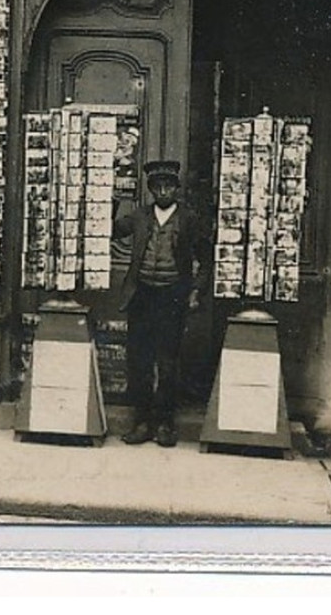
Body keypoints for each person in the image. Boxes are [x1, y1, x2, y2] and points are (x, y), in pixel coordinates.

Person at [113, 159, 207, 447]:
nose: (163, 191)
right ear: (151, 190)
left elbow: (206, 257)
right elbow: (114, 230)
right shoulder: (140, 216)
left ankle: (165, 423)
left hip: (172, 295)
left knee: (168, 361)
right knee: (139, 360)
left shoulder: (189, 218)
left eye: (169, 186)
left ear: (176, 189)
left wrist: (195, 291)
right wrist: (111, 200)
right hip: (142, 294)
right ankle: (142, 422)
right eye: (158, 186)